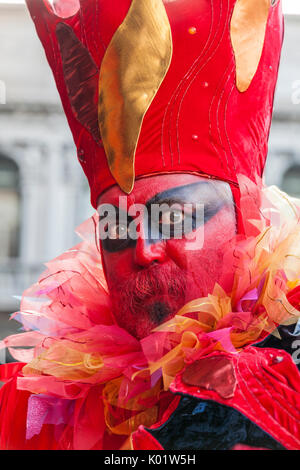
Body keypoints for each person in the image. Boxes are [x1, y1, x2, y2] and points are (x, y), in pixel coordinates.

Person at [0, 0, 300, 450]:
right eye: (116, 227)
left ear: (246, 216)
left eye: (175, 218)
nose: (144, 249)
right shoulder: (36, 405)